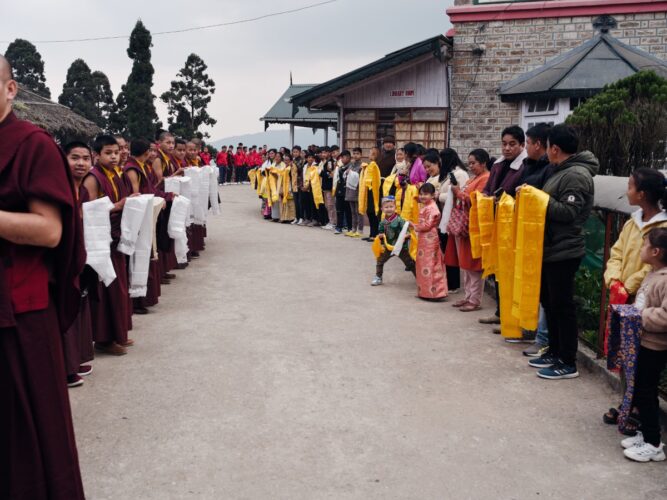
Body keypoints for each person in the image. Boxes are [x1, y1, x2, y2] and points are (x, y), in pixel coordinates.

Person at [0, 55, 86, 500]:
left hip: (19, 308)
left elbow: (50, 231)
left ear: (11, 90)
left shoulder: (31, 145)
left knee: (31, 429)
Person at [529, 124, 598, 380]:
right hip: (550, 247)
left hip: (564, 249)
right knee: (550, 302)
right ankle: (554, 351)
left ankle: (567, 361)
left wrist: (537, 199)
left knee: (562, 306)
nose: (546, 152)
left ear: (554, 149)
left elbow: (569, 213)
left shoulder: (576, 175)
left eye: (547, 147)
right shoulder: (561, 170)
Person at [602, 168, 667, 428]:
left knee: (642, 359)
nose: (626, 191)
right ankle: (626, 402)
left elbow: (652, 267)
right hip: (623, 298)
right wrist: (613, 280)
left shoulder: (662, 227)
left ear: (642, 193)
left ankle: (639, 408)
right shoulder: (632, 221)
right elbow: (616, 252)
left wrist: (627, 286)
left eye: (629, 186)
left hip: (643, 302)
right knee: (625, 354)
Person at [83, 135, 135, 355]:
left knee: (119, 287)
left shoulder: (115, 174)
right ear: (97, 155)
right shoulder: (93, 178)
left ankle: (118, 333)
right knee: (106, 289)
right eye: (108, 153)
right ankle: (104, 339)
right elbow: (88, 210)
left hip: (117, 236)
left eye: (116, 152)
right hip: (101, 241)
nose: (114, 156)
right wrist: (118, 205)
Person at [620, 228, 667, 462]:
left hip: (655, 346)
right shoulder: (653, 273)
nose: (641, 249)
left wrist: (640, 315)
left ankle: (653, 443)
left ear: (656, 251)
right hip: (642, 341)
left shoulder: (665, 279)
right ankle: (645, 433)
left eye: (644, 245)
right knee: (639, 388)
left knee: (646, 392)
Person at [479, 125, 528, 330]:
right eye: (504, 144)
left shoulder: (525, 166)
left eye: (512, 144)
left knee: (512, 273)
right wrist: (485, 197)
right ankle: (501, 312)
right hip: (496, 222)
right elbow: (487, 188)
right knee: (498, 271)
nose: (507, 148)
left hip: (513, 226)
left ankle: (511, 317)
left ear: (522, 145)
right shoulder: (498, 165)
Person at [62, 141, 95, 388]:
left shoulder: (82, 191)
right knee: (64, 309)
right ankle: (65, 368)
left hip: (80, 254)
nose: (81, 163)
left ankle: (75, 360)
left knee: (78, 305)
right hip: (61, 257)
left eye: (85, 158)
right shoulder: (58, 189)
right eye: (74, 157)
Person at [519, 123, 553, 355]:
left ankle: (543, 339)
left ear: (538, 144)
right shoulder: (530, 165)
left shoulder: (550, 170)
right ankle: (534, 332)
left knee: (549, 296)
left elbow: (546, 201)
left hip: (546, 237)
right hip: (531, 233)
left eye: (527, 144)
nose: (525, 148)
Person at [446, 149, 492, 312]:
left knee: (473, 264)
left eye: (473, 163)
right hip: (466, 225)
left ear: (483, 163)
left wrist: (458, 191)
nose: (470, 166)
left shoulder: (486, 178)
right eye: (469, 163)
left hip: (474, 226)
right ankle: (468, 296)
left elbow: (476, 199)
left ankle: (474, 299)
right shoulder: (476, 178)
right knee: (466, 263)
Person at [438, 148, 469, 293]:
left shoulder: (460, 174)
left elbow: (458, 194)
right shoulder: (451, 173)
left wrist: (438, 196)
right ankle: (451, 281)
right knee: (447, 249)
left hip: (454, 216)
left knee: (451, 250)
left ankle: (454, 283)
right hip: (446, 214)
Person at [412, 183, 448, 301]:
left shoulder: (432, 208)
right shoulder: (427, 205)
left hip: (430, 238)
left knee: (431, 264)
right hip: (424, 238)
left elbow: (428, 225)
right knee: (424, 264)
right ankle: (425, 291)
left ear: (433, 195)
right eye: (421, 194)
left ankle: (435, 293)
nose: (422, 196)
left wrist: (414, 226)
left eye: (426, 194)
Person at [371, 196, 416, 286]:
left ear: (395, 207)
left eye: (391, 207)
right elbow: (381, 232)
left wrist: (406, 235)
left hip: (401, 247)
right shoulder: (382, 222)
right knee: (380, 261)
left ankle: (420, 278)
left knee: (410, 264)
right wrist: (380, 236)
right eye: (386, 207)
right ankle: (378, 277)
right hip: (388, 247)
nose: (389, 209)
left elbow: (406, 231)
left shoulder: (400, 220)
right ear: (382, 209)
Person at [360, 147, 381, 241]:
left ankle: (374, 234)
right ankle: (371, 233)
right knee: (369, 212)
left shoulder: (373, 165)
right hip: (368, 191)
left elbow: (372, 180)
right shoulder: (370, 165)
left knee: (372, 213)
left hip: (372, 192)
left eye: (370, 153)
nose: (369, 155)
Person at [344, 147, 364, 237]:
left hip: (358, 190)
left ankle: (360, 230)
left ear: (361, 155)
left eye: (357, 154)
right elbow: (345, 174)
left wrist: (351, 172)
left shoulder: (362, 165)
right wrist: (347, 172)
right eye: (354, 153)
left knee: (359, 211)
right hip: (350, 190)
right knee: (352, 211)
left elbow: (360, 176)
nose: (355, 155)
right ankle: (353, 229)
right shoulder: (351, 164)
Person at [333, 150, 353, 235]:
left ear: (348, 157)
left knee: (348, 210)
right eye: (341, 157)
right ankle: (339, 227)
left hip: (347, 191)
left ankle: (350, 227)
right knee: (339, 210)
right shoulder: (340, 167)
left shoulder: (351, 167)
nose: (342, 159)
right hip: (339, 191)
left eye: (343, 157)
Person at [320, 147, 336, 230]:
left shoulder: (330, 162)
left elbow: (330, 174)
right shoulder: (324, 162)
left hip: (329, 187)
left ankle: (333, 222)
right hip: (325, 187)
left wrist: (322, 173)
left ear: (329, 153)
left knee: (330, 205)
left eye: (325, 153)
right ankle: (330, 221)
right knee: (327, 205)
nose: (323, 154)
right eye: (322, 153)